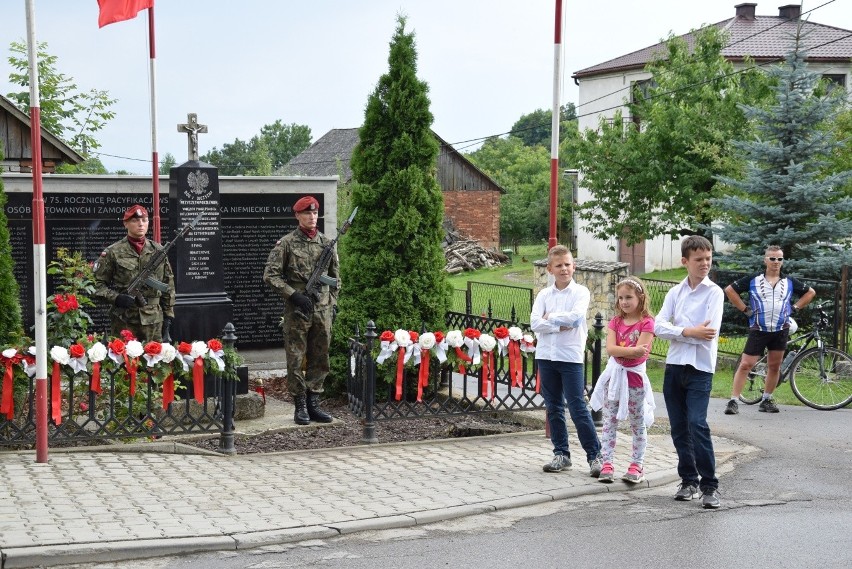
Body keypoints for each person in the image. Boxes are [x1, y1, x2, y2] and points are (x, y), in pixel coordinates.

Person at [654, 235, 724, 509]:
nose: (705, 264)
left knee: (697, 424)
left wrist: (683, 333)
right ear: (685, 261)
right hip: (674, 367)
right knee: (679, 427)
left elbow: (708, 333)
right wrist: (686, 331)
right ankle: (688, 481)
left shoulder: (714, 293)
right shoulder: (675, 293)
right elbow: (657, 326)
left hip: (700, 368)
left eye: (708, 258)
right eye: (699, 260)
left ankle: (710, 485)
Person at [263, 196, 338, 426]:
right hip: (297, 311)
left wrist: (332, 304)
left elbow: (336, 279)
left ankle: (314, 403)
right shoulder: (286, 243)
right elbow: (270, 276)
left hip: (322, 309)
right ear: (297, 216)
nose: (312, 217)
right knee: (296, 358)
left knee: (320, 357)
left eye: (315, 213)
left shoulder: (327, 243)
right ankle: (300, 405)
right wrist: (293, 295)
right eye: (307, 213)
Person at [531, 245, 603, 477]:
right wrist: (558, 325)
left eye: (568, 264)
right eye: (559, 265)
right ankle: (561, 453)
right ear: (550, 268)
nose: (564, 269)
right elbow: (534, 324)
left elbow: (576, 318)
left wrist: (549, 318)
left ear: (574, 266)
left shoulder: (580, 293)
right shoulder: (544, 295)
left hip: (570, 357)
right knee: (553, 408)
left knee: (578, 407)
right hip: (546, 357)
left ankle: (595, 456)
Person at [723, 245, 816, 415]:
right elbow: (729, 290)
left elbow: (810, 292)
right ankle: (733, 401)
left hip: (781, 329)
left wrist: (794, 308)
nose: (776, 262)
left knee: (774, 366)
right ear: (765, 260)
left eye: (779, 259)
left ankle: (766, 399)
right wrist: (745, 310)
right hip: (759, 328)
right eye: (772, 258)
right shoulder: (754, 280)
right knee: (746, 364)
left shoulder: (788, 281)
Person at [590, 277, 656, 484]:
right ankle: (607, 462)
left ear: (640, 297)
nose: (624, 302)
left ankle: (637, 464)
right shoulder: (615, 322)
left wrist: (627, 352)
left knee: (637, 423)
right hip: (614, 379)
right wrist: (631, 350)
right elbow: (610, 349)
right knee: (609, 422)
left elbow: (640, 355)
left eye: (629, 297)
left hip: (634, 380)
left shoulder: (647, 323)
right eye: (620, 298)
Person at [93, 204, 175, 343]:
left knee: (154, 362)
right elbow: (96, 284)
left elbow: (168, 285)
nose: (140, 224)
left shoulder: (158, 251)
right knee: (126, 363)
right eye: (135, 220)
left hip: (153, 322)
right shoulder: (113, 252)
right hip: (124, 321)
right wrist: (116, 298)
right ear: (125, 223)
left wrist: (168, 317)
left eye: (144, 220)